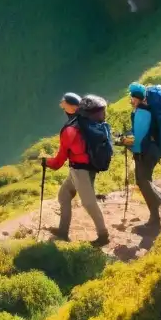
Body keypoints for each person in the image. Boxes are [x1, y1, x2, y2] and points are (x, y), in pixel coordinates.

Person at [41, 92, 110, 247]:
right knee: (64, 195)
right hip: (85, 168)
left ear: (71, 107)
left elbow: (59, 161)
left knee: (89, 203)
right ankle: (63, 231)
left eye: (63, 105)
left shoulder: (70, 130)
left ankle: (103, 235)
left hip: (80, 171)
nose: (62, 107)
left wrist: (46, 162)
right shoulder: (86, 123)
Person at [122, 83, 161, 235]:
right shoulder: (149, 108)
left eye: (131, 97)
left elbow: (138, 139)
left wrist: (123, 142)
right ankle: (158, 214)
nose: (130, 100)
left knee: (142, 181)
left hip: (146, 152)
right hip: (155, 148)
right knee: (145, 181)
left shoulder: (142, 113)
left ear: (137, 98)